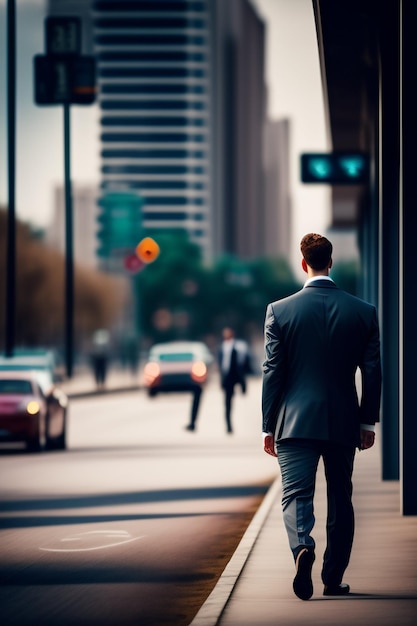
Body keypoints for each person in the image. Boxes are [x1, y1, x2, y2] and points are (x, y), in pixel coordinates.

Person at [262, 233, 381, 601]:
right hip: (344, 421)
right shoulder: (363, 311)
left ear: (304, 263)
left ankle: (302, 547)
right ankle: (332, 578)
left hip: (294, 422)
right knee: (341, 498)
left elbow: (273, 372)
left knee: (296, 495)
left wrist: (268, 426)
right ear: (331, 262)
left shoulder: (279, 311)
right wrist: (366, 422)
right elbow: (373, 371)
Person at [219, 327, 249, 433]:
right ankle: (228, 425)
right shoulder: (222, 347)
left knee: (230, 402)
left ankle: (229, 424)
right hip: (226, 378)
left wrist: (242, 384)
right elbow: (221, 365)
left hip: (233, 377)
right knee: (227, 403)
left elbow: (240, 367)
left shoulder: (238, 347)